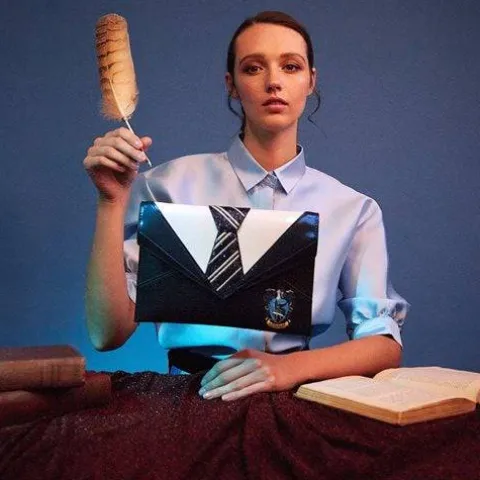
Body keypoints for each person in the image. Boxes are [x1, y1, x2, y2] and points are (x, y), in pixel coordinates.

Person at [83, 11, 409, 402]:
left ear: (311, 81)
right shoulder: (164, 186)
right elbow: (106, 334)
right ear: (232, 85)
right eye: (253, 68)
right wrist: (111, 201)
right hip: (184, 401)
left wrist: (289, 369)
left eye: (291, 66)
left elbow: (384, 344)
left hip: (294, 399)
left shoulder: (352, 209)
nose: (274, 82)